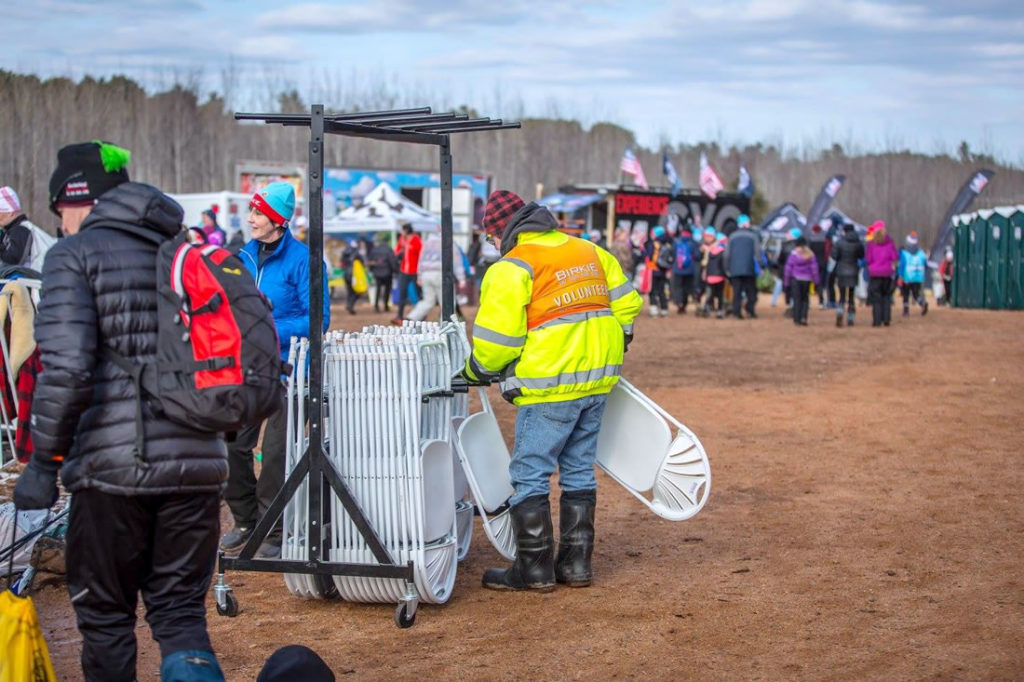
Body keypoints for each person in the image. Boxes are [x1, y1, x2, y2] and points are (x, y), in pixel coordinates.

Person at [14, 141, 226, 680]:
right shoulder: (185, 251)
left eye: (57, 207)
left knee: (107, 618)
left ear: (76, 199)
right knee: (180, 616)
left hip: (114, 475)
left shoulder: (74, 256)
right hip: (200, 465)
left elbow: (66, 369)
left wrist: (41, 464)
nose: (57, 221)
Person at [462, 190, 642, 592]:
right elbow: (628, 303)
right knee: (578, 468)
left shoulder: (513, 267)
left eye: (491, 238)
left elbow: (497, 343)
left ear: (500, 231)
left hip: (549, 386)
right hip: (597, 382)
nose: (492, 245)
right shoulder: (588, 251)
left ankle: (535, 568)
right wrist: (617, 338)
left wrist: (475, 370)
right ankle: (576, 565)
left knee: (530, 472)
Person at [221, 182, 330, 558]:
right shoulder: (241, 257)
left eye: (257, 213)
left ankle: (273, 530)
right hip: (245, 368)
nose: (250, 218)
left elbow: (318, 320)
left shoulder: (304, 260)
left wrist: (263, 325)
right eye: (251, 211)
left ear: (278, 220)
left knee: (275, 452)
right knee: (231, 444)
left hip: (288, 370)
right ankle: (246, 520)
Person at [406, 228, 467, 322]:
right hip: (441, 274)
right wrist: (461, 278)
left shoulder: (428, 242)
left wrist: (419, 276)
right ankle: (445, 324)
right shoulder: (449, 241)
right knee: (447, 302)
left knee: (428, 301)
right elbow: (456, 260)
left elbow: (421, 259)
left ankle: (411, 318)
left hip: (426, 274)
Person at [723, 214, 762, 319]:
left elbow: (726, 255)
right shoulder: (753, 236)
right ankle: (750, 309)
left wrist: (727, 268)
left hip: (735, 269)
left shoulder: (732, 236)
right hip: (749, 269)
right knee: (751, 291)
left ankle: (736, 312)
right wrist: (761, 265)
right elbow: (758, 253)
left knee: (737, 292)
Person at [865, 221, 899, 327]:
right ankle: (886, 319)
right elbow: (895, 257)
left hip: (875, 273)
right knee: (886, 296)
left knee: (876, 298)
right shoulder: (890, 242)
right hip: (887, 273)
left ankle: (877, 320)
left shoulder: (871, 244)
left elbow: (868, 259)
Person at [831, 222, 865, 327]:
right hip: (854, 270)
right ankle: (850, 317)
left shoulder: (839, 242)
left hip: (841, 271)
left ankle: (840, 311)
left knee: (841, 295)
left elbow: (834, 256)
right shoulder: (858, 243)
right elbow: (861, 255)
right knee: (851, 296)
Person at [0, 185, 40, 269]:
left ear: (11, 212)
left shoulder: (21, 230)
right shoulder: (11, 231)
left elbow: (13, 260)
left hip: (27, 280)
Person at [783, 236, 820, 326]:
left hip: (796, 279)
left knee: (797, 299)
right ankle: (803, 317)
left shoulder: (794, 254)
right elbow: (814, 269)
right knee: (805, 299)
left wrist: (786, 281)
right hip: (807, 280)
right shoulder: (810, 254)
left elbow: (788, 269)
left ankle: (796, 319)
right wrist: (816, 281)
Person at [393, 222, 422, 323]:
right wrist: (399, 253)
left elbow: (421, 255)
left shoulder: (416, 240)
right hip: (404, 271)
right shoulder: (402, 240)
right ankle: (399, 316)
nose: (401, 232)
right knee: (402, 293)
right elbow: (396, 252)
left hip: (415, 271)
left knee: (418, 294)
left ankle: (421, 315)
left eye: (402, 230)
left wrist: (420, 273)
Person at [898, 232, 929, 317]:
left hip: (907, 277)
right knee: (916, 294)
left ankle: (906, 311)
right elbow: (925, 265)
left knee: (906, 295)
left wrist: (900, 276)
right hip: (918, 277)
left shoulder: (904, 253)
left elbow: (902, 266)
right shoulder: (921, 253)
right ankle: (922, 303)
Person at [644, 225, 672, 317]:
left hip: (653, 270)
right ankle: (664, 308)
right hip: (663, 270)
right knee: (662, 289)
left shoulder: (653, 244)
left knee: (652, 290)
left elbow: (649, 255)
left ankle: (653, 308)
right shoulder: (667, 244)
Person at [367, 232, 398, 314]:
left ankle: (376, 306)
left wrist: (372, 270)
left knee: (378, 289)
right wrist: (395, 271)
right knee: (387, 290)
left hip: (377, 273)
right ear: (387, 242)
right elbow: (392, 261)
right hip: (387, 273)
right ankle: (385, 306)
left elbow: (370, 260)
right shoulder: (389, 249)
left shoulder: (375, 249)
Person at [700, 230, 727, 318]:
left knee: (710, 294)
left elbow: (706, 264)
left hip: (710, 276)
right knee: (720, 294)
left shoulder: (708, 251)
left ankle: (706, 308)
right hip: (720, 276)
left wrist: (705, 273)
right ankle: (720, 310)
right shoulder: (722, 251)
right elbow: (723, 264)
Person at [670, 222, 696, 314]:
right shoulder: (693, 242)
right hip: (689, 270)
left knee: (677, 287)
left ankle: (678, 303)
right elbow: (697, 256)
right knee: (686, 287)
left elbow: (672, 254)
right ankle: (684, 304)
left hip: (677, 268)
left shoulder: (676, 241)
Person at [339, 239, 364, 315]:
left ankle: (349, 304)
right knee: (357, 291)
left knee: (349, 290)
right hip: (354, 274)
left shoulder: (344, 252)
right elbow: (362, 262)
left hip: (346, 274)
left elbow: (341, 263)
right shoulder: (356, 253)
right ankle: (350, 305)